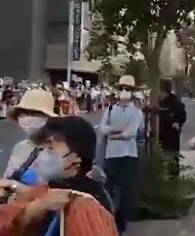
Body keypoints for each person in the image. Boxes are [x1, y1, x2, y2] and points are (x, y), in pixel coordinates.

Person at [0, 116, 118, 236]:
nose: (42, 155)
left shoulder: (86, 208)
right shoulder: (52, 191)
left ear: (77, 157)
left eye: (50, 148)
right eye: (41, 149)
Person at [99, 75, 144, 234]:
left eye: (128, 89)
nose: (124, 92)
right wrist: (117, 131)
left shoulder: (137, 112)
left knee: (126, 191)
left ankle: (121, 223)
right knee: (107, 189)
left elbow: (131, 132)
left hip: (129, 155)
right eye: (122, 88)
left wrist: (114, 134)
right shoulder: (110, 109)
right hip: (111, 155)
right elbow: (103, 129)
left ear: (132, 92)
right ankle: (107, 219)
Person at [4, 89, 57, 179]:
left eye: (34, 113)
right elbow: (7, 178)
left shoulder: (60, 150)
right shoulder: (20, 147)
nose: (28, 118)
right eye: (23, 114)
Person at [158, 79, 187, 177]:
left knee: (172, 158)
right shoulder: (157, 102)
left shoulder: (175, 102)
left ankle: (173, 178)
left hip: (171, 136)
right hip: (158, 135)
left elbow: (182, 115)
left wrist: (177, 122)